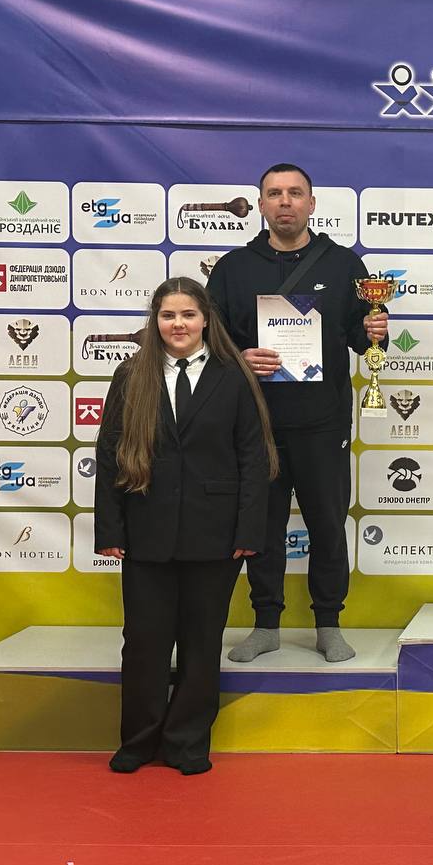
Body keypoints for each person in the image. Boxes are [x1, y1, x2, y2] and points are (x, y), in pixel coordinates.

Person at [95, 278, 277, 775]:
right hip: (146, 530)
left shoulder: (234, 376)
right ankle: (139, 742)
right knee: (144, 643)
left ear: (206, 320)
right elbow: (109, 454)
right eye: (168, 315)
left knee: (201, 643)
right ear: (155, 321)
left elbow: (252, 457)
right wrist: (110, 530)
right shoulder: (130, 375)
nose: (178, 324)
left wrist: (249, 532)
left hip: (215, 534)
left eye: (188, 315)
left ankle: (187, 743)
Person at [208, 163, 387, 663]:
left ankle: (329, 623)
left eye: (294, 193)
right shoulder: (233, 268)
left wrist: (376, 330)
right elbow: (211, 343)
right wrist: (240, 357)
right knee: (261, 528)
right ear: (260, 205)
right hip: (256, 423)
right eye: (274, 193)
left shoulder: (344, 265)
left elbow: (362, 339)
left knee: (327, 524)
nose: (284, 201)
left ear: (311, 203)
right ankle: (265, 624)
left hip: (323, 422)